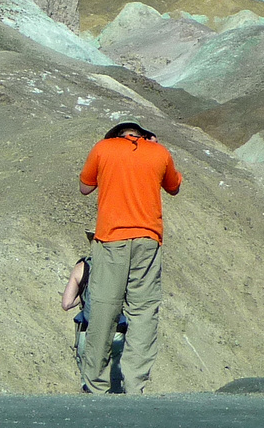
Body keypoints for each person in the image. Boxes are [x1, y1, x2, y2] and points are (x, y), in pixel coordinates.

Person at [76, 120, 182, 394]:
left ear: (116, 136)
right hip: (148, 241)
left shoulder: (103, 148)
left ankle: (96, 384)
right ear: (144, 136)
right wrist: (154, 148)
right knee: (143, 311)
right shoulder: (160, 152)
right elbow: (174, 187)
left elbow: (85, 187)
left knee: (103, 309)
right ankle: (135, 385)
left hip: (111, 239)